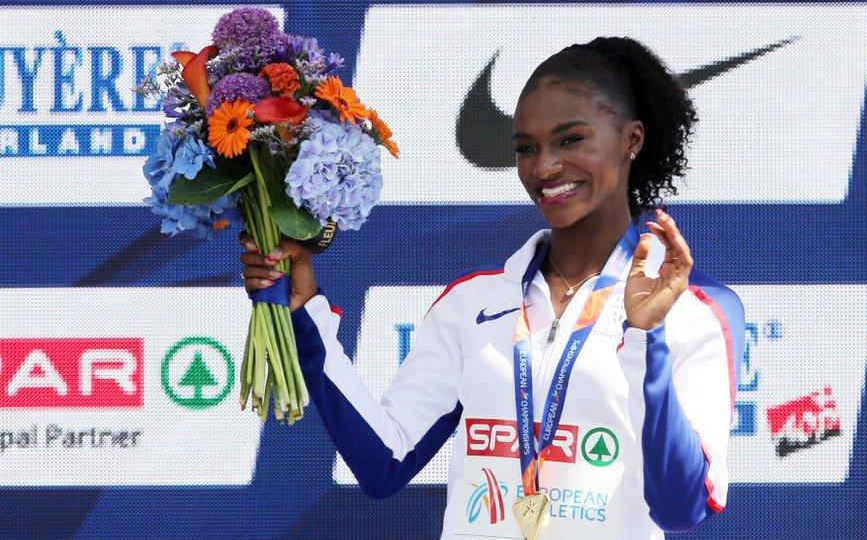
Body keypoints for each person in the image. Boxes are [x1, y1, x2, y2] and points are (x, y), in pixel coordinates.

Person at [240, 36, 744, 539]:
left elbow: (682, 506)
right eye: (527, 148)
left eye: (571, 140)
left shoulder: (696, 310)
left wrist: (646, 337)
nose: (544, 167)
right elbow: (383, 462)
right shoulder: (472, 303)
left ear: (631, 139)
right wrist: (305, 316)